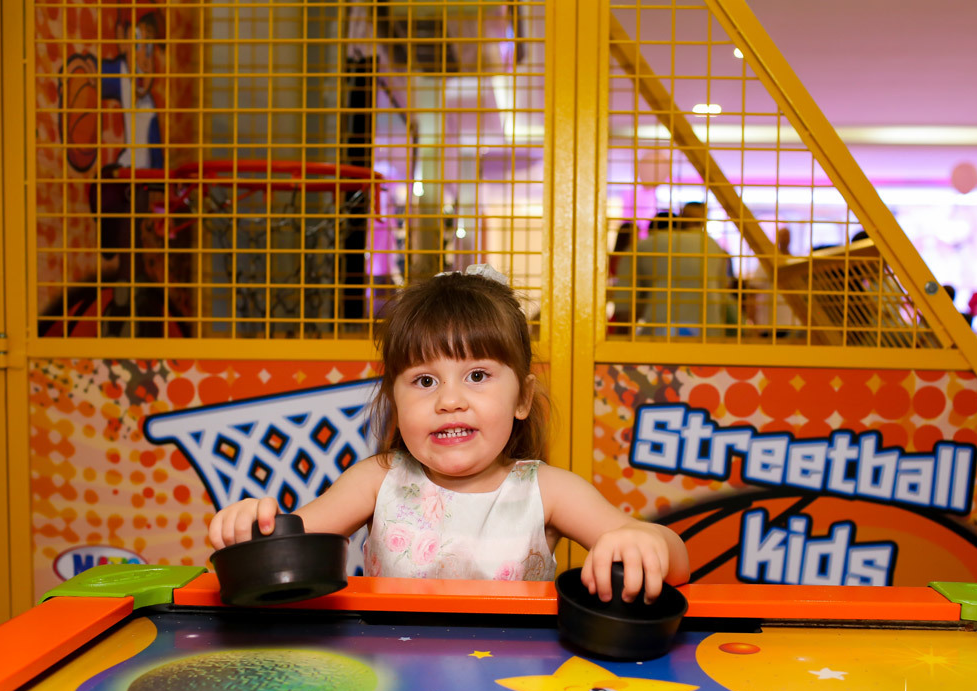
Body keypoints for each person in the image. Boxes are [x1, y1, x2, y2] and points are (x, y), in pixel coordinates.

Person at [208, 265, 690, 603]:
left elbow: (677, 560)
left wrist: (645, 542)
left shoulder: (548, 491)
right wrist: (251, 526)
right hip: (393, 680)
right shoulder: (377, 480)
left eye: (477, 376)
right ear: (395, 401)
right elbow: (287, 542)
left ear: (522, 398)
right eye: (424, 381)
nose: (450, 400)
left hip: (513, 683)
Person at [634, 202, 732, 337]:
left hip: (662, 316)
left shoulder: (653, 243)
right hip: (705, 319)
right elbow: (722, 287)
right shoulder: (712, 246)